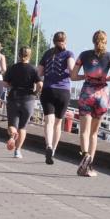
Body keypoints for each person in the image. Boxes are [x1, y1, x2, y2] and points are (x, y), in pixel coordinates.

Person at [70, 30, 110, 177]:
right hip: (102, 95)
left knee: (84, 131)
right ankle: (89, 167)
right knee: (94, 134)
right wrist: (102, 79)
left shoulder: (84, 55)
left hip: (87, 93)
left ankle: (85, 155)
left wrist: (86, 76)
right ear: (105, 41)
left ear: (93, 40)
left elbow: (72, 76)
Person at [37, 31, 75, 165]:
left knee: (48, 122)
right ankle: (53, 151)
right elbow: (71, 70)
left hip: (48, 90)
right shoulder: (69, 54)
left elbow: (39, 72)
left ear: (53, 41)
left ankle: (48, 145)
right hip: (63, 91)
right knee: (58, 123)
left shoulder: (47, 54)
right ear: (65, 41)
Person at [2, 46, 42, 159]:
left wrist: (11, 85)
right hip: (28, 99)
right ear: (30, 55)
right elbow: (40, 85)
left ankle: (12, 135)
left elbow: (4, 83)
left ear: (19, 55)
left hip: (13, 97)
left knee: (12, 125)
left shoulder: (12, 68)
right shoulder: (33, 69)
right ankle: (18, 151)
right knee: (23, 127)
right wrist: (35, 93)